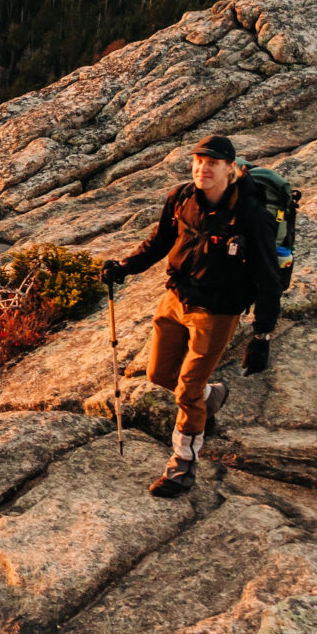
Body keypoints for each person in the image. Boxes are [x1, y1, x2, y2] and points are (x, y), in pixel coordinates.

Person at [100, 136, 284, 498]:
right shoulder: (181, 197)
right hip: (176, 298)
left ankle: (182, 466)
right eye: (199, 161)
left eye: (213, 162)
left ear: (231, 168)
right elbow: (160, 241)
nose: (204, 168)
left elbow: (268, 278)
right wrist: (125, 267)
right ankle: (212, 396)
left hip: (216, 311)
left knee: (186, 390)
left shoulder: (250, 214)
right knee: (159, 374)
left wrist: (262, 336)